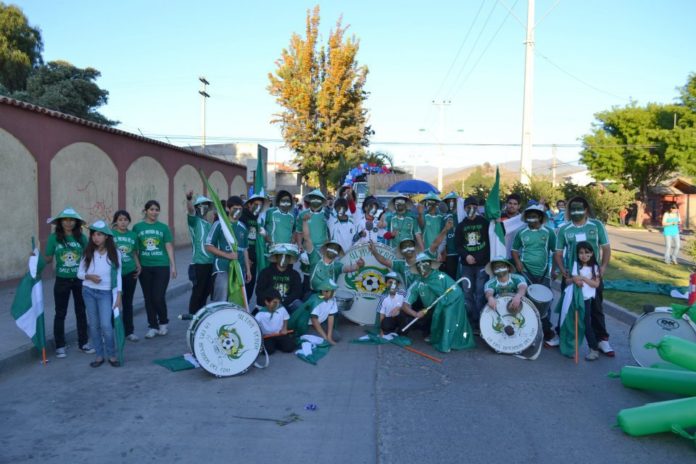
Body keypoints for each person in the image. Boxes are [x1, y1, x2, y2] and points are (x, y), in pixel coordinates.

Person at [552, 196, 614, 356]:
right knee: (567, 307)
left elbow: (606, 248)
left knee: (596, 308)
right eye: (572, 209)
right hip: (572, 277)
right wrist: (561, 269)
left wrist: (604, 267)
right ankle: (562, 335)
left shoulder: (597, 225)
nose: (576, 212)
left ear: (586, 209)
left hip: (593, 276)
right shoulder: (564, 229)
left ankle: (602, 340)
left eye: (579, 208)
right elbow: (558, 253)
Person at [44, 207, 93, 358]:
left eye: (72, 220)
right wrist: (35, 258)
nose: (69, 223)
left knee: (81, 312)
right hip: (62, 280)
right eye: (65, 220)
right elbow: (48, 258)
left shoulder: (81, 238)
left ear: (76, 222)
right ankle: (60, 346)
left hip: (79, 280)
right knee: (60, 313)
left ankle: (83, 343)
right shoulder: (54, 238)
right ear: (60, 222)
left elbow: (88, 256)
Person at [402, 253, 475, 352]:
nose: (423, 267)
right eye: (419, 265)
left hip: (447, 305)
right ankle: (434, 334)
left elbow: (456, 292)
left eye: (425, 263)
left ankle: (448, 341)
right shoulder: (416, 284)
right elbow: (405, 305)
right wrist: (416, 314)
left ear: (430, 264)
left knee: (447, 312)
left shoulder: (442, 277)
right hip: (430, 311)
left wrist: (444, 303)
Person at [77, 221, 122, 368]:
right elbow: (80, 274)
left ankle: (112, 354)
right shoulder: (88, 252)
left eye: (99, 234)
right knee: (94, 325)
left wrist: (119, 295)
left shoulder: (115, 253)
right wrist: (90, 277)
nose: (95, 238)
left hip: (105, 293)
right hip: (88, 292)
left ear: (107, 237)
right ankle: (99, 355)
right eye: (93, 234)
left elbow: (119, 275)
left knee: (106, 325)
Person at [511, 204, 556, 340]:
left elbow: (555, 252)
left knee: (545, 303)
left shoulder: (549, 232)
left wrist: (554, 270)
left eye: (534, 216)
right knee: (524, 302)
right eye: (529, 217)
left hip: (543, 274)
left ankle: (546, 332)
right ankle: (524, 331)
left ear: (540, 218)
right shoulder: (521, 233)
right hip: (524, 272)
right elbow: (514, 250)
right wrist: (518, 262)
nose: (532, 219)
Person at [133, 200, 176, 338]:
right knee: (148, 298)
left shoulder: (163, 228)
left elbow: (169, 246)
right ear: (145, 211)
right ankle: (152, 326)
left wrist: (173, 265)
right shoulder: (137, 227)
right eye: (151, 209)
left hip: (161, 266)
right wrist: (137, 264)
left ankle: (163, 322)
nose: (154, 212)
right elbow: (135, 249)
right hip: (145, 267)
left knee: (158, 296)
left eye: (157, 209)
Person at [454, 196, 492, 329]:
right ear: (464, 208)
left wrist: (481, 257)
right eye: (468, 207)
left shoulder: (485, 223)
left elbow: (490, 242)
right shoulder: (460, 226)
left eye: (474, 207)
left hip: (482, 265)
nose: (471, 209)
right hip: (466, 266)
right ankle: (471, 319)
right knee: (467, 292)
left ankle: (482, 319)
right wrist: (466, 255)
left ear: (478, 208)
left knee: (481, 292)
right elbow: (457, 245)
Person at [206, 196, 251, 303]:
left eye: (240, 209)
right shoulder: (219, 224)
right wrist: (228, 256)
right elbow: (208, 246)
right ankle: (218, 319)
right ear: (228, 208)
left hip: (239, 270)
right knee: (221, 300)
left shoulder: (243, 227)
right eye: (235, 209)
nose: (238, 211)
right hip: (222, 267)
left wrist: (248, 270)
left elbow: (245, 250)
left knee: (237, 301)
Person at [302, 213, 364, 292]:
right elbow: (307, 238)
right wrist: (304, 222)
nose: (333, 249)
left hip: (329, 296)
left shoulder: (336, 265)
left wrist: (359, 265)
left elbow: (350, 268)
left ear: (338, 253)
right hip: (313, 294)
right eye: (331, 247)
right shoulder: (315, 257)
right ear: (325, 248)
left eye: (336, 248)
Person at [566, 241, 602, 361]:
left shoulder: (594, 267)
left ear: (592, 253)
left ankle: (594, 349)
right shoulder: (575, 266)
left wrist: (583, 278)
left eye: (587, 252)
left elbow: (596, 284)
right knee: (572, 323)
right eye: (581, 253)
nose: (584, 255)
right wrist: (574, 280)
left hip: (585, 300)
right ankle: (571, 348)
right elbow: (567, 281)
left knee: (586, 324)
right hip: (573, 298)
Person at [112, 210, 141, 342]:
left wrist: (138, 265)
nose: (123, 222)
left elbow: (134, 252)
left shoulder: (133, 235)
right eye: (120, 219)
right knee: (114, 303)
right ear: (116, 221)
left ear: (129, 221)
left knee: (128, 303)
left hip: (129, 272)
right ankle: (113, 330)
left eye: (125, 219)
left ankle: (129, 331)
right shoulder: (110, 235)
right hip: (114, 274)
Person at [186, 192, 214, 315]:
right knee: (198, 291)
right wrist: (189, 199)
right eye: (201, 205)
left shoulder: (209, 224)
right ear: (197, 207)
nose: (204, 207)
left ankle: (201, 314)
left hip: (210, 262)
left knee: (206, 291)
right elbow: (191, 210)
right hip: (198, 263)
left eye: (206, 205)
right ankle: (193, 316)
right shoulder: (194, 221)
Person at [288, 279, 341, 345]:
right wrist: (325, 338)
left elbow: (331, 316)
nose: (334, 293)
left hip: (320, 323)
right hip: (308, 325)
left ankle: (320, 336)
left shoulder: (333, 299)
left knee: (336, 336)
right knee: (320, 340)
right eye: (333, 291)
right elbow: (314, 321)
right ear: (325, 292)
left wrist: (329, 337)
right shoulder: (316, 301)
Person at [255, 243, 303, 313]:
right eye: (281, 256)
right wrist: (271, 301)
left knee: (299, 305)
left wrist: (283, 302)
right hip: (269, 304)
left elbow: (297, 293)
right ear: (276, 257)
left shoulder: (295, 275)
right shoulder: (265, 272)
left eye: (286, 256)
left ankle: (294, 323)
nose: (283, 259)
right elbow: (259, 291)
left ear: (290, 259)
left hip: (287, 304)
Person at [241, 192, 267, 300]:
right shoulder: (242, 216)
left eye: (260, 205)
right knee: (242, 288)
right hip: (244, 258)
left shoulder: (258, 219)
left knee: (250, 286)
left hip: (255, 256)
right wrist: (245, 259)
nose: (258, 207)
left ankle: (245, 311)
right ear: (249, 205)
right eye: (255, 204)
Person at [255, 289, 295, 354]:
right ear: (267, 302)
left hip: (279, 333)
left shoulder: (281, 308)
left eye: (278, 302)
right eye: (275, 302)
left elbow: (286, 318)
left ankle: (276, 344)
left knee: (290, 347)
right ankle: (274, 345)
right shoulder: (260, 314)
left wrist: (284, 328)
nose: (277, 305)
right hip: (267, 336)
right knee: (268, 351)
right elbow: (254, 326)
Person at [442, 192, 461, 279]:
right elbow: (442, 234)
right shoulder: (444, 217)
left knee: (461, 275)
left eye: (453, 201)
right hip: (450, 252)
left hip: (461, 252)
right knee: (451, 276)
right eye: (449, 201)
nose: (451, 203)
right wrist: (443, 250)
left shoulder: (462, 215)